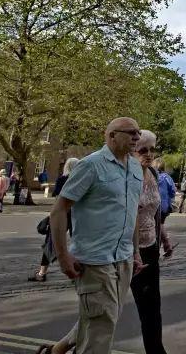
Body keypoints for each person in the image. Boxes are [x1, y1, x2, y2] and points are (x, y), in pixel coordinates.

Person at [40, 117, 144, 354]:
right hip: (95, 259)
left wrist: (136, 251)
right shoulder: (91, 165)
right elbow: (58, 211)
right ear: (112, 136)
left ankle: (57, 350)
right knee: (101, 324)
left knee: (105, 316)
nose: (137, 138)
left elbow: (133, 211)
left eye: (138, 133)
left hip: (124, 258)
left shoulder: (136, 167)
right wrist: (63, 255)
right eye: (131, 133)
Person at [131, 132, 171, 354]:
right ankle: (64, 346)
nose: (149, 154)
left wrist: (164, 237)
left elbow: (153, 213)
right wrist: (134, 251)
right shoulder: (127, 175)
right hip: (126, 251)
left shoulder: (153, 174)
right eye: (143, 150)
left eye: (152, 149)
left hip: (149, 249)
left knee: (151, 309)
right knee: (105, 309)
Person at [30, 158, 80, 283]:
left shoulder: (63, 179)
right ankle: (78, 272)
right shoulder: (80, 179)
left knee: (51, 242)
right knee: (78, 242)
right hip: (77, 214)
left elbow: (58, 200)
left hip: (62, 214)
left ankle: (42, 273)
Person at [155, 159, 177, 223]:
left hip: (151, 205)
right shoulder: (167, 177)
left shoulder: (150, 175)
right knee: (161, 225)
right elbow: (172, 191)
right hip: (163, 205)